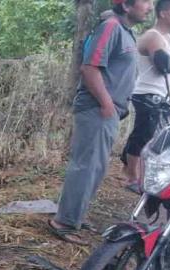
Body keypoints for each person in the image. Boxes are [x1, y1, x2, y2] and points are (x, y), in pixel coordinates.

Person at [48, 0, 154, 245]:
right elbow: (89, 69)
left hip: (108, 110)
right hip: (97, 108)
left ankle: (74, 216)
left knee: (95, 167)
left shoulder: (126, 32)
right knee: (86, 166)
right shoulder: (110, 27)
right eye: (145, 1)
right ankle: (64, 222)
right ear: (126, 5)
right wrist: (107, 105)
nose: (150, 6)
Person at [122, 0, 170, 193]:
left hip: (160, 95)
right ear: (163, 13)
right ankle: (131, 177)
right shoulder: (152, 36)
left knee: (157, 137)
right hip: (146, 93)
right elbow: (163, 64)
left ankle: (137, 170)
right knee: (143, 135)